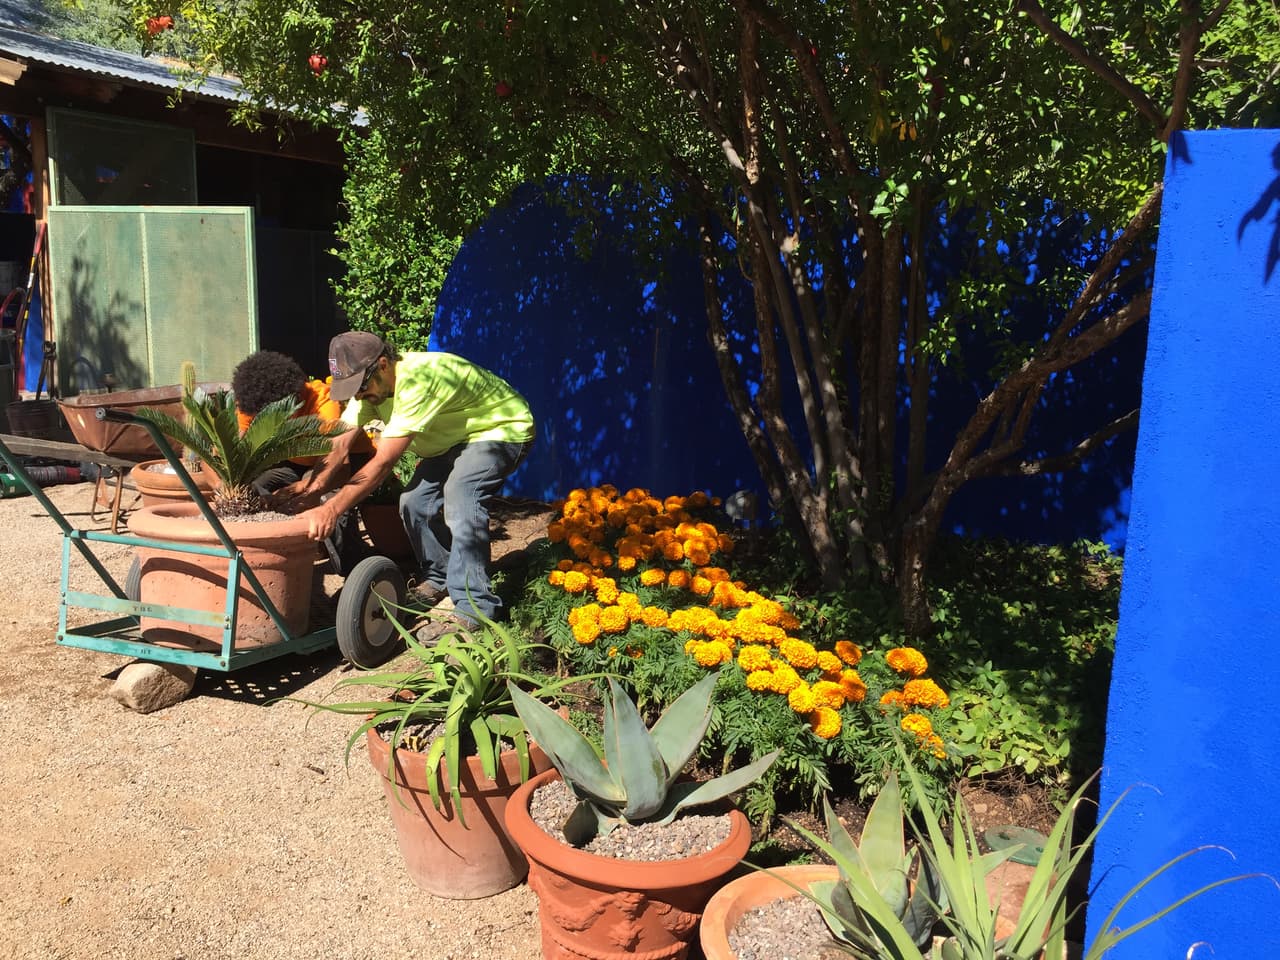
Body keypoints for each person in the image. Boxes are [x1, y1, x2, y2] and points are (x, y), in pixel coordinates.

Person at [291, 332, 536, 639]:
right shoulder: (369, 391)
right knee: (414, 502)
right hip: (453, 439)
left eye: (360, 387)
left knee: (461, 496)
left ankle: (475, 608)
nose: (357, 396)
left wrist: (332, 508)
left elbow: (382, 464)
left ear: (382, 365)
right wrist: (309, 491)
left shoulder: (418, 381)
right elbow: (339, 446)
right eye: (350, 390)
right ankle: (439, 576)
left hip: (501, 427)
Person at [230, 349, 368, 573]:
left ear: (294, 399)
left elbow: (336, 462)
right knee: (253, 488)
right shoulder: (253, 403)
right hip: (293, 462)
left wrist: (304, 491)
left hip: (338, 462)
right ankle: (264, 558)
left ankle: (353, 568)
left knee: (326, 499)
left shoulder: (323, 402)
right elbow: (237, 447)